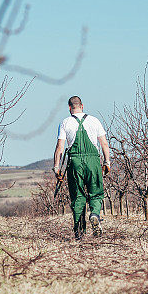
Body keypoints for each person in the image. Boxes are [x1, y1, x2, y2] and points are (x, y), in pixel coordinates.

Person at [53, 96, 111, 240]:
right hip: (93, 161)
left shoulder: (65, 122)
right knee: (96, 193)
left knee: (78, 197)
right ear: (82, 106)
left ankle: (79, 234)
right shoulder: (94, 120)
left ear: (69, 108)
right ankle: (95, 214)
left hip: (75, 163)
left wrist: (56, 167)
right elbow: (104, 143)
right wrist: (107, 162)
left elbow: (60, 147)